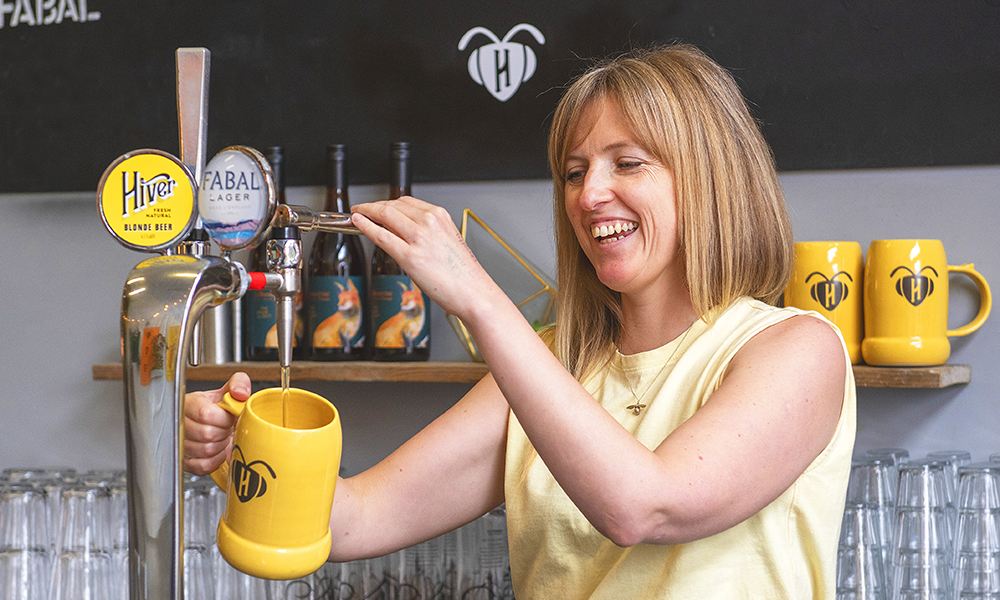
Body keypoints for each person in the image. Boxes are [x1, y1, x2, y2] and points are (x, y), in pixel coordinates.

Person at [184, 43, 855, 599]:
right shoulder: (551, 363)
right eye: (573, 172)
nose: (589, 196)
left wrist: (477, 293)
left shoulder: (794, 350)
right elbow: (356, 520)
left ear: (710, 179)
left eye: (627, 163)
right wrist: (239, 452)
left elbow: (643, 506)